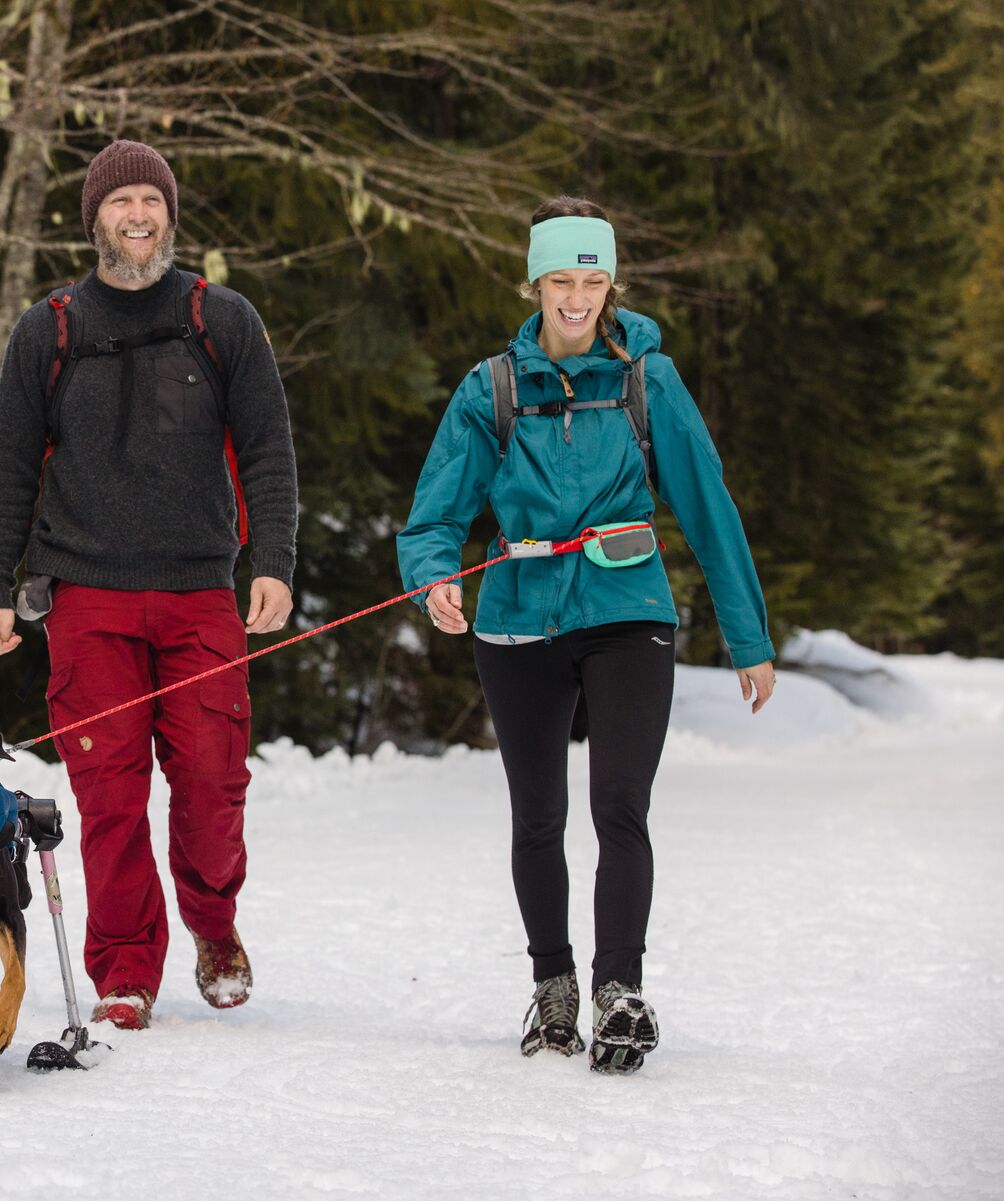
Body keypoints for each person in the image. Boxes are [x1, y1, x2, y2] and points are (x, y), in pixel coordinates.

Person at [396, 196, 776, 1075]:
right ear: (534, 283)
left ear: (612, 283)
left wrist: (748, 636)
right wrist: (434, 581)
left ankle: (620, 989)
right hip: (518, 619)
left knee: (620, 807)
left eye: (592, 279)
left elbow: (708, 506)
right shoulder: (491, 387)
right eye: (561, 279)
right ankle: (555, 985)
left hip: (626, 610)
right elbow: (432, 517)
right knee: (539, 814)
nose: (577, 297)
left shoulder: (649, 379)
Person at [0, 140, 298, 1030]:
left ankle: (215, 926)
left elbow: (268, 449)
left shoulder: (221, 318)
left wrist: (271, 560)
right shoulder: (49, 328)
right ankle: (124, 969)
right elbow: (7, 466)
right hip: (87, 598)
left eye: (152, 200)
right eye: (121, 203)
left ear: (170, 214)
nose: (138, 215)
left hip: (200, 593)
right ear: (95, 220)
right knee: (107, 796)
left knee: (211, 783)